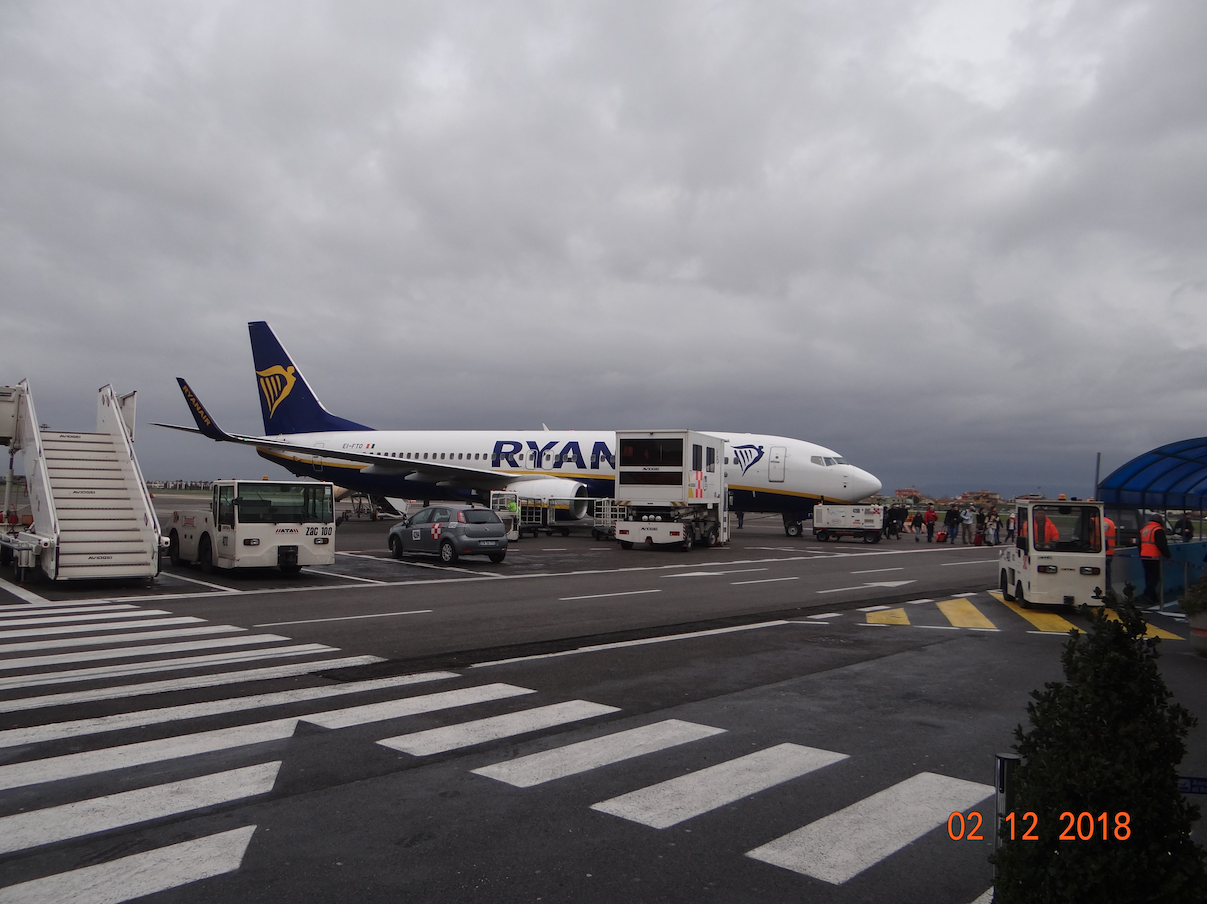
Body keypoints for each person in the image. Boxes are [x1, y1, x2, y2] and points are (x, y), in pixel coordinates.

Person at [1138, 513, 1171, 604]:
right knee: (1155, 577)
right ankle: (1147, 594)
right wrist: (1168, 555)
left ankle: (1152, 596)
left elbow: (1139, 544)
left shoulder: (1144, 529)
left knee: (1148, 576)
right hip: (1154, 557)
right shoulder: (1158, 530)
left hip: (1144, 556)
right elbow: (1162, 545)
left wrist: (1141, 554)